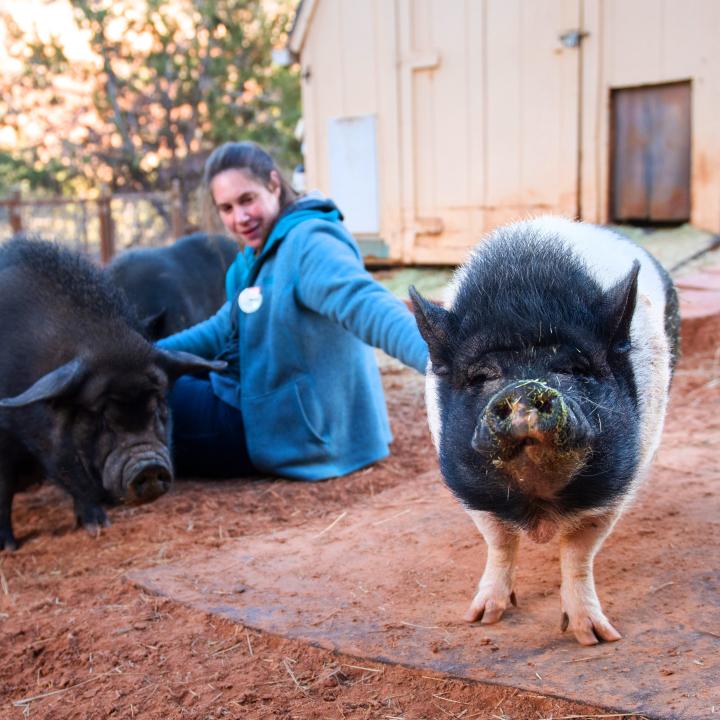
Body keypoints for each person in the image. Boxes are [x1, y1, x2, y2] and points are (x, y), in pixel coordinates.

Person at [157, 141, 429, 481]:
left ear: (273, 184)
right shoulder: (263, 253)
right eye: (226, 208)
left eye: (247, 199)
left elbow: (367, 305)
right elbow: (223, 327)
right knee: (158, 378)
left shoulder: (309, 245)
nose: (239, 218)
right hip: (266, 407)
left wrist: (441, 361)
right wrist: (147, 356)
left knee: (154, 402)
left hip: (291, 432)